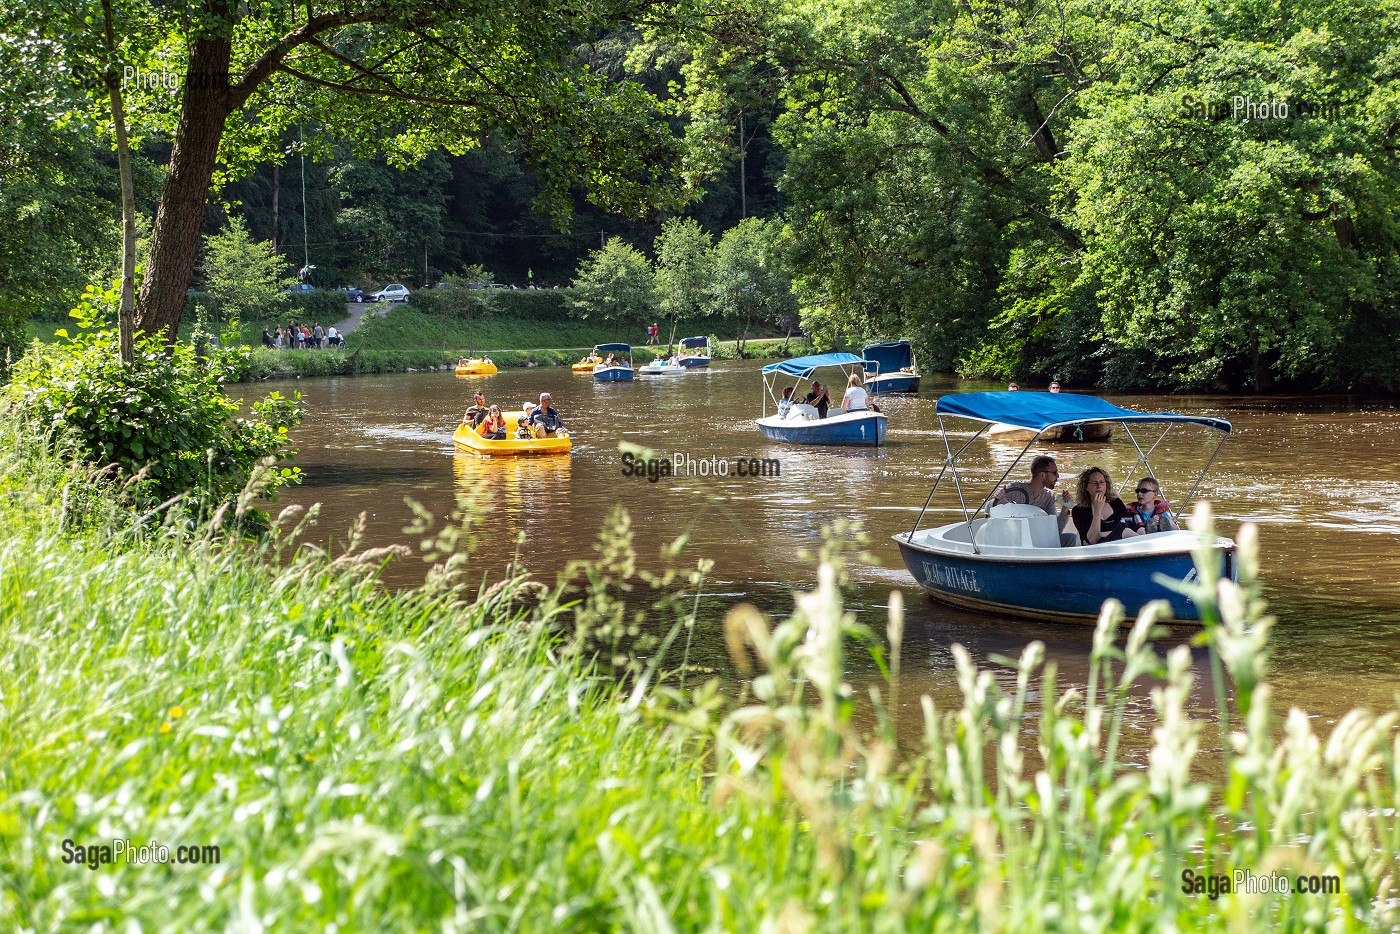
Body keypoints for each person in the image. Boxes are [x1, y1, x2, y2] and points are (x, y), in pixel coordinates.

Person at [989, 454, 1076, 546]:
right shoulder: (1015, 488)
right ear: (1042, 475)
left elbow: (1055, 531)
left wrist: (1065, 509)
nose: (1058, 476)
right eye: (1054, 473)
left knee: (1071, 538)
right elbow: (991, 509)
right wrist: (998, 497)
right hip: (1014, 540)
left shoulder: (1048, 496)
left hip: (1039, 541)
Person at [1071, 467, 1143, 545]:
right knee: (1124, 531)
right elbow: (1092, 540)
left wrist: (1102, 534)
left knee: (1138, 530)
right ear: (1086, 487)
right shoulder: (1078, 510)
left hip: (1120, 544)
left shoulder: (1116, 502)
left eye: (1102, 482)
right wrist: (1097, 510)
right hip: (1098, 549)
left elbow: (1128, 523)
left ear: (1106, 485)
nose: (1099, 486)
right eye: (1094, 483)